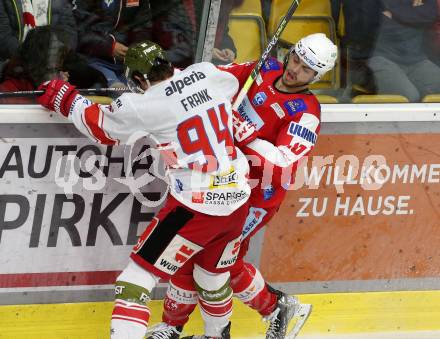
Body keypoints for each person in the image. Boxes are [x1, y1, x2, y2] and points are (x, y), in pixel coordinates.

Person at [36, 40, 256, 339]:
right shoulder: (207, 73)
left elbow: (100, 126)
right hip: (238, 201)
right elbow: (239, 73)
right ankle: (218, 335)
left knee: (136, 279)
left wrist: (66, 99)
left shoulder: (143, 105)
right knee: (212, 277)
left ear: (138, 79)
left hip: (195, 208)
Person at [146, 33, 338, 339]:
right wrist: (173, 79)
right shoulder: (266, 67)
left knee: (216, 263)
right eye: (296, 60)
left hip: (255, 198)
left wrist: (248, 136)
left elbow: (282, 168)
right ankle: (175, 325)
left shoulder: (306, 113)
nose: (295, 70)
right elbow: (215, 78)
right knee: (190, 253)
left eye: (306, 69)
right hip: (220, 183)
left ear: (318, 76)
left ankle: (257, 313)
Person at [368, 0, 440, 102]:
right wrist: (415, 12)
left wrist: (394, 14)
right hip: (383, 60)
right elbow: (385, 25)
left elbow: (430, 13)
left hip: (417, 61)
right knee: (408, 97)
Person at [72, 0, 153, 87]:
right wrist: (110, 47)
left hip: (127, 63)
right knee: (116, 90)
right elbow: (78, 30)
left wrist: (137, 49)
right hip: (91, 60)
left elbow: (143, 26)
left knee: (145, 88)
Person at [0, 0, 77, 62]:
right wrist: (31, 58)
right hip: (14, 61)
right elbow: (4, 38)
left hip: (52, 59)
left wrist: (56, 55)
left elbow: (68, 31)